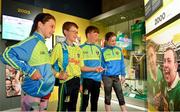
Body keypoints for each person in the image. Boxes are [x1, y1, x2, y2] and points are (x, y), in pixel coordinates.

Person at [0, 13, 56, 111]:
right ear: (40, 24)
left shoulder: (43, 44)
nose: (53, 30)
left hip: (44, 92)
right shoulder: (32, 41)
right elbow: (7, 55)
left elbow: (46, 68)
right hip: (33, 92)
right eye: (51, 26)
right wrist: (30, 71)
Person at [50, 22, 103, 111]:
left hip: (76, 82)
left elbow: (82, 67)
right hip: (66, 82)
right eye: (74, 32)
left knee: (73, 107)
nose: (76, 34)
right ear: (66, 32)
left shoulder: (78, 49)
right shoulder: (59, 47)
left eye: (77, 32)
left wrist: (95, 69)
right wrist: (58, 75)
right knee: (62, 108)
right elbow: (47, 64)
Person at [101, 32, 127, 112]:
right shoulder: (102, 51)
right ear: (107, 40)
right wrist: (100, 79)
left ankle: (124, 111)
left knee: (120, 94)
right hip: (106, 77)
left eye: (115, 40)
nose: (114, 42)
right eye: (112, 41)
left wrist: (123, 75)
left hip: (116, 77)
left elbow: (122, 63)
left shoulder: (119, 50)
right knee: (108, 96)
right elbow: (101, 66)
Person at [80, 26, 103, 111]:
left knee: (94, 103)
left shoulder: (98, 48)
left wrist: (101, 79)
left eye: (97, 35)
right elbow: (79, 68)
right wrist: (80, 83)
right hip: (86, 80)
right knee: (84, 103)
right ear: (88, 34)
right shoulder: (80, 48)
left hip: (97, 81)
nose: (97, 37)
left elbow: (100, 65)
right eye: (95, 34)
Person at [146, 41, 167, 111]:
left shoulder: (161, 72)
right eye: (148, 58)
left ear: (155, 55)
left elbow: (163, 89)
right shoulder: (147, 77)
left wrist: (160, 95)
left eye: (151, 55)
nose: (151, 60)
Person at [163, 47, 180, 111]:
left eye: (169, 61)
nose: (165, 65)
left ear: (175, 66)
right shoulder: (165, 82)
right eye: (164, 61)